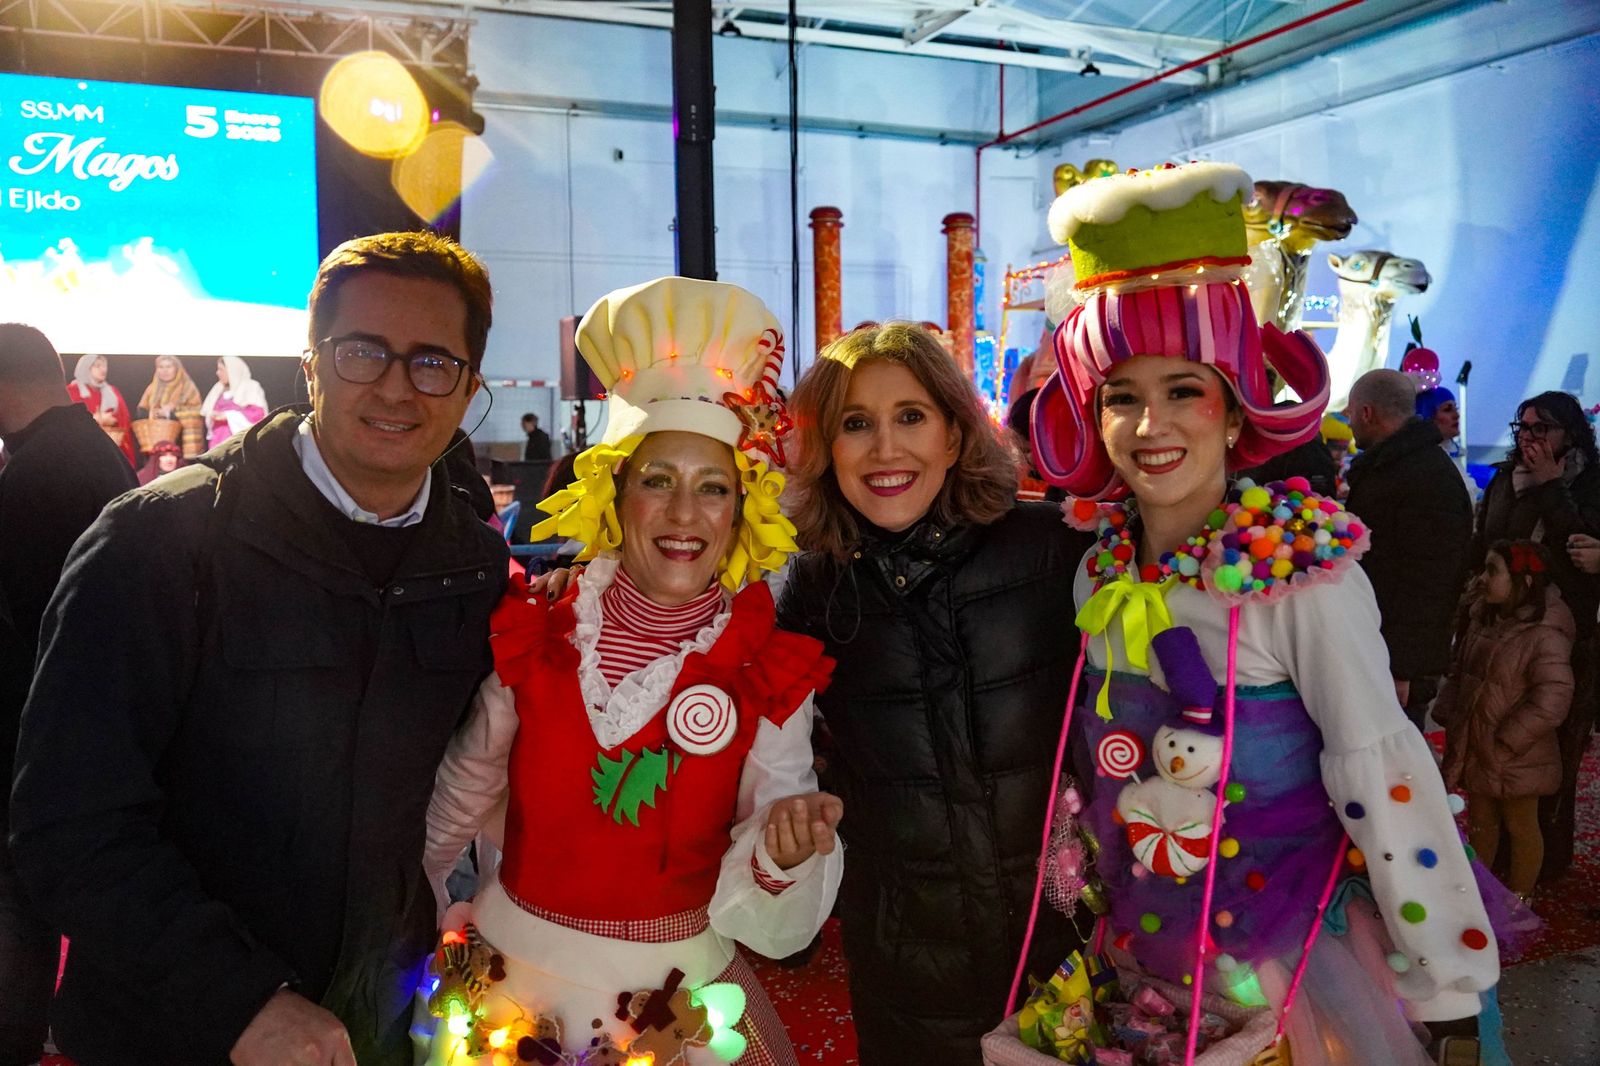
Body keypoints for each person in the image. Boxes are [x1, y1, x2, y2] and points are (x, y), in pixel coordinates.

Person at [1024, 163, 1496, 1064]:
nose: (1151, 425)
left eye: (1183, 391)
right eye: (1122, 396)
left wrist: (1444, 986)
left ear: (1236, 410)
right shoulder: (1099, 573)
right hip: (1140, 958)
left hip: (1287, 976)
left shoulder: (1301, 580)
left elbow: (1382, 769)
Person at [9, 231, 508, 1066]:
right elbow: (69, 825)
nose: (395, 387)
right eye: (362, 353)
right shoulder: (162, 541)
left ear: (467, 388)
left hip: (382, 1021)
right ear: (309, 364)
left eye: (432, 362)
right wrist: (242, 1003)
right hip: (175, 1031)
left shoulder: (474, 567)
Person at [419, 277, 840, 1065]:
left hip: (673, 1003)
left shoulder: (770, 672)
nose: (686, 513)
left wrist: (783, 855)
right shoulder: (535, 632)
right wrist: (420, 904)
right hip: (511, 980)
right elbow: (463, 789)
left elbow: (774, 833)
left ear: (742, 512)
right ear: (615, 493)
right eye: (657, 480)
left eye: (714, 488)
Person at [776, 322, 1093, 1064]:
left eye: (910, 417)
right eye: (857, 424)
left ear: (955, 434)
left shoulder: (1053, 549)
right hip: (909, 963)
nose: (886, 449)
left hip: (1066, 937)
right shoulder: (815, 590)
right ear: (827, 450)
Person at [0, 323, 136, 1066]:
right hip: (97, 734)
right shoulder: (89, 451)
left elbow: (29, 632)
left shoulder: (36, 476)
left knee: (23, 909)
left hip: (42, 742)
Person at [1471, 390, 1600, 882]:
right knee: (1491, 738)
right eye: (1523, 427)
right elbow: (1489, 544)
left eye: (1542, 428)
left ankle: (1542, 860)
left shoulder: (1589, 480)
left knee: (1546, 749)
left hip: (1565, 633)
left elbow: (1579, 555)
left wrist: (1551, 487)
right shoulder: (1506, 478)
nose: (1530, 438)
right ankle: (1495, 855)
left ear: (1570, 433)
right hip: (1503, 627)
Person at [1433, 540, 1573, 899]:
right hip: (1479, 743)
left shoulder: (1544, 632)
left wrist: (1508, 738)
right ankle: (1478, 895)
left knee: (1521, 826)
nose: (1483, 578)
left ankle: (1518, 901)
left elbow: (1553, 697)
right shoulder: (1484, 619)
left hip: (1517, 753)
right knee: (1481, 824)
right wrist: (1451, 714)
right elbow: (1461, 671)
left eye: (1493, 570)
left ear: (1524, 581)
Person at [1345, 368, 1474, 727]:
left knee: (1396, 770)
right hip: (1376, 643)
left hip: (1397, 662)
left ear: (1367, 413)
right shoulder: (1393, 466)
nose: (1350, 423)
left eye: (1352, 413)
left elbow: (1429, 580)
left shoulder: (1424, 477)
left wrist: (1402, 667)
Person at [66, 352, 135, 467]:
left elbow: (124, 420)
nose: (103, 370)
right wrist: (96, 419)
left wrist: (112, 420)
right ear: (86, 368)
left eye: (104, 366)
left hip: (111, 448)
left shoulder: (112, 392)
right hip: (84, 448)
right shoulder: (73, 391)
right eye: (97, 366)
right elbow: (69, 420)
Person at [1416, 384, 1477, 499]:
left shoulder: (1452, 456)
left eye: (1456, 409)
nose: (1457, 415)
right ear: (1428, 416)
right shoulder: (1424, 461)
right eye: (1447, 409)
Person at [201, 354, 269, 449]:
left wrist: (228, 416)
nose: (217, 373)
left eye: (221, 369)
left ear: (231, 370)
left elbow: (258, 415)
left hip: (239, 443)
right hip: (218, 442)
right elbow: (208, 412)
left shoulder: (251, 387)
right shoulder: (218, 389)